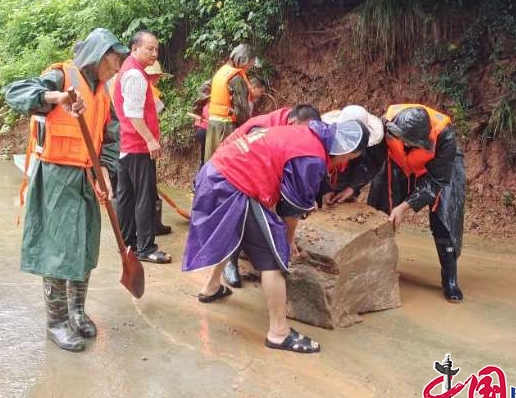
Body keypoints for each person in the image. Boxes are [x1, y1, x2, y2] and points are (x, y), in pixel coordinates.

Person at [182, 119, 369, 354]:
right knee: (273, 257)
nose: (344, 163)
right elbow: (291, 208)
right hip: (237, 184)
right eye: (349, 159)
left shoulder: (306, 132)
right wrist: (288, 241)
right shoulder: (312, 156)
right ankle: (279, 333)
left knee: (232, 231)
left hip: (215, 172)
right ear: (349, 153)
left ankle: (210, 287)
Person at [4, 28, 127, 352]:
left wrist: (105, 172)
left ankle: (77, 311)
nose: (117, 68)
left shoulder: (102, 92)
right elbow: (15, 93)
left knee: (84, 248)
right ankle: (56, 323)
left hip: (86, 177)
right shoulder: (60, 77)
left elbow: (111, 138)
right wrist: (55, 98)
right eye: (114, 60)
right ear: (98, 54)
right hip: (57, 177)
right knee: (58, 252)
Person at [367, 104, 466, 302]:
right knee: (379, 208)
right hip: (399, 162)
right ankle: (374, 266)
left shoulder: (445, 136)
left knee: (445, 219)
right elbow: (370, 160)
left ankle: (450, 279)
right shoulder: (385, 125)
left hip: (439, 169)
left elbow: (437, 181)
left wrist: (405, 206)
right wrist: (352, 187)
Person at [219, 103, 321, 288]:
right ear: (292, 122)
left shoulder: (291, 130)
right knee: (243, 211)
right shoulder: (265, 129)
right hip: (232, 167)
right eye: (302, 131)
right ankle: (230, 260)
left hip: (254, 168)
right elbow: (255, 169)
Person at [113, 31, 172, 264]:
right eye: (150, 49)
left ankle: (127, 241)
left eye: (156, 49)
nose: (154, 54)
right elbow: (134, 114)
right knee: (144, 198)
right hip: (137, 147)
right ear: (135, 48)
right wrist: (150, 140)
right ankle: (145, 248)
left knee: (126, 197)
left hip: (126, 145)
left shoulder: (127, 69)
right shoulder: (135, 75)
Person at [319, 105, 385, 206]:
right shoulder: (322, 145)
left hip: (350, 176)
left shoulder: (374, 148)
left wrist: (352, 188)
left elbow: (370, 166)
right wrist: (325, 189)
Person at [204, 44, 258, 160]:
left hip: (212, 124)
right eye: (250, 63)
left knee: (211, 162)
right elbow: (242, 110)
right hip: (225, 127)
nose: (250, 67)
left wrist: (198, 109)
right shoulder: (237, 79)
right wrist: (246, 128)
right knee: (226, 163)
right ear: (244, 60)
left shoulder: (221, 72)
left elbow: (203, 91)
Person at [144, 60, 172, 236]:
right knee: (148, 187)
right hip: (145, 145)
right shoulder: (149, 91)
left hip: (142, 143)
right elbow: (158, 108)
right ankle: (152, 226)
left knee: (149, 187)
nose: (158, 80)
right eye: (157, 76)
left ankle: (154, 224)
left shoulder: (144, 88)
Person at [190, 80, 211, 170]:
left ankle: (199, 179)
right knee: (207, 159)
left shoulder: (202, 101)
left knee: (203, 158)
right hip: (206, 131)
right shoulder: (211, 101)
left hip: (200, 131)